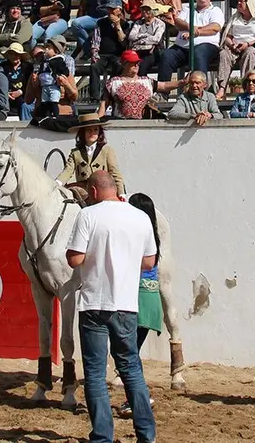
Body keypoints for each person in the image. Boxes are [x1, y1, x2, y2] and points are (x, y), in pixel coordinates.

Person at [65, 172, 158, 443]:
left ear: (93, 191)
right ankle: (146, 434)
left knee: (95, 372)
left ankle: (103, 436)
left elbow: (74, 259)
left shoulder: (88, 216)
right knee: (131, 367)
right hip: (126, 303)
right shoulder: (140, 217)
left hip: (94, 301)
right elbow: (149, 261)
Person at [117, 193, 165, 418]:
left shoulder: (136, 235)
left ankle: (139, 398)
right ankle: (139, 396)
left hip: (138, 298)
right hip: (151, 298)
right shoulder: (152, 236)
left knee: (127, 353)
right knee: (131, 352)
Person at [158, 0, 224, 83]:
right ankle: (162, 92)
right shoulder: (187, 9)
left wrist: (195, 32)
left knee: (198, 53)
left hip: (207, 47)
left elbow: (215, 27)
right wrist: (191, 27)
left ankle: (200, 92)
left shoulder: (215, 10)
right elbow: (178, 22)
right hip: (182, 48)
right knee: (167, 55)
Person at [216, 0, 255, 99]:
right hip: (234, 47)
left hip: (251, 46)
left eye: (242, 1)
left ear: (249, 2)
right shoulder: (235, 18)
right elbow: (228, 36)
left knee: (250, 53)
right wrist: (232, 45)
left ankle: (245, 85)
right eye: (238, 0)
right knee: (224, 53)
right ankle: (222, 88)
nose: (238, 2)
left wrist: (248, 43)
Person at [57, 113, 125, 197]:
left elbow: (115, 173)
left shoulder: (107, 150)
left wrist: (121, 193)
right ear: (82, 132)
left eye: (95, 130)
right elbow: (68, 170)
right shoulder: (75, 152)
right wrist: (57, 183)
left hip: (104, 191)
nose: (92, 133)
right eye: (88, 130)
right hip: (84, 192)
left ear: (99, 132)